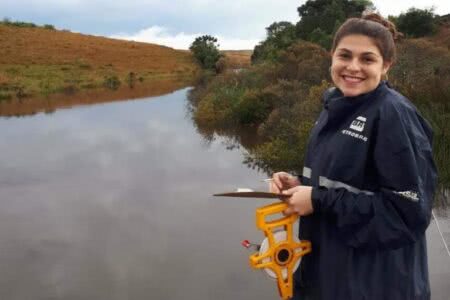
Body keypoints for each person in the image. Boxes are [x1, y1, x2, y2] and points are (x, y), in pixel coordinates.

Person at [270, 13, 437, 300]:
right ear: (331, 57)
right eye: (344, 56)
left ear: (386, 66)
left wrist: (317, 199)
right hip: (328, 269)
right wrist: (299, 183)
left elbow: (404, 214)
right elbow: (345, 179)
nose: (353, 67)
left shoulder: (393, 114)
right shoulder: (334, 105)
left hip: (373, 282)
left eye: (367, 59)